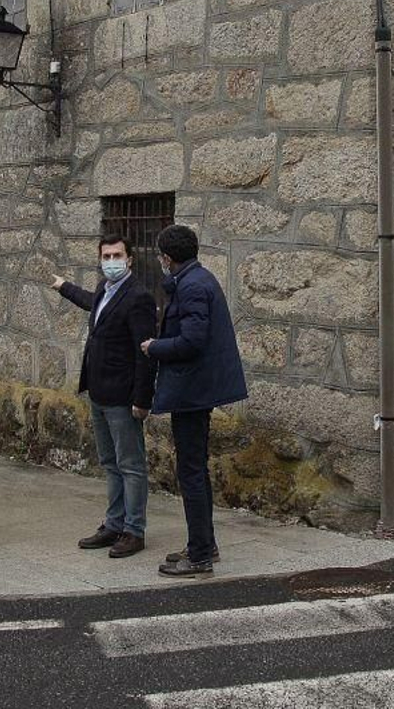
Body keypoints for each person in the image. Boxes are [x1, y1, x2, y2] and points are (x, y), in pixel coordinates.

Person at [140, 224, 247, 578]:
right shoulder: (195, 280)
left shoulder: (193, 286)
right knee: (194, 469)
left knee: (192, 472)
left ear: (167, 258)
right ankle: (204, 543)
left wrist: (155, 347)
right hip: (194, 390)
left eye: (161, 257)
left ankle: (200, 554)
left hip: (192, 392)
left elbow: (192, 341)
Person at [51, 232, 158, 559]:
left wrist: (142, 400)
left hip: (123, 397)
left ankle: (134, 530)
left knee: (131, 465)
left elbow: (145, 353)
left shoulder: (138, 297)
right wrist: (63, 286)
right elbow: (90, 302)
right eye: (106, 256)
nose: (111, 261)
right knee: (110, 464)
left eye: (117, 256)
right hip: (98, 392)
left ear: (129, 259)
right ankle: (113, 523)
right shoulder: (104, 289)